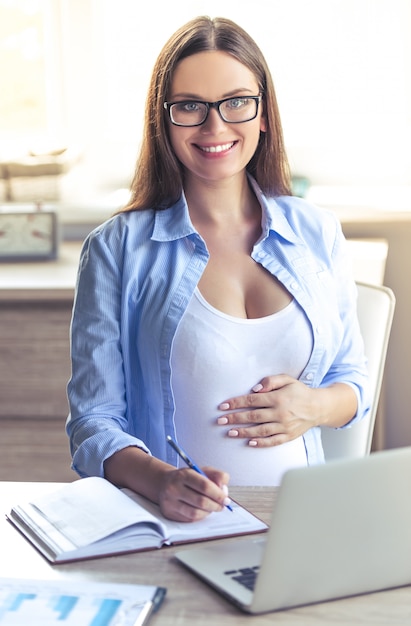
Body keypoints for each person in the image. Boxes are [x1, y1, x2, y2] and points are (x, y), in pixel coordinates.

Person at [66, 15, 369, 522]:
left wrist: (311, 407)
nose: (215, 126)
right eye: (189, 106)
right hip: (174, 527)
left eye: (236, 102)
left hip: (305, 522)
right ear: (162, 120)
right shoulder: (115, 250)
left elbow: (350, 381)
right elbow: (93, 424)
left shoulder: (318, 233)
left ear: (264, 113)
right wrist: (161, 482)